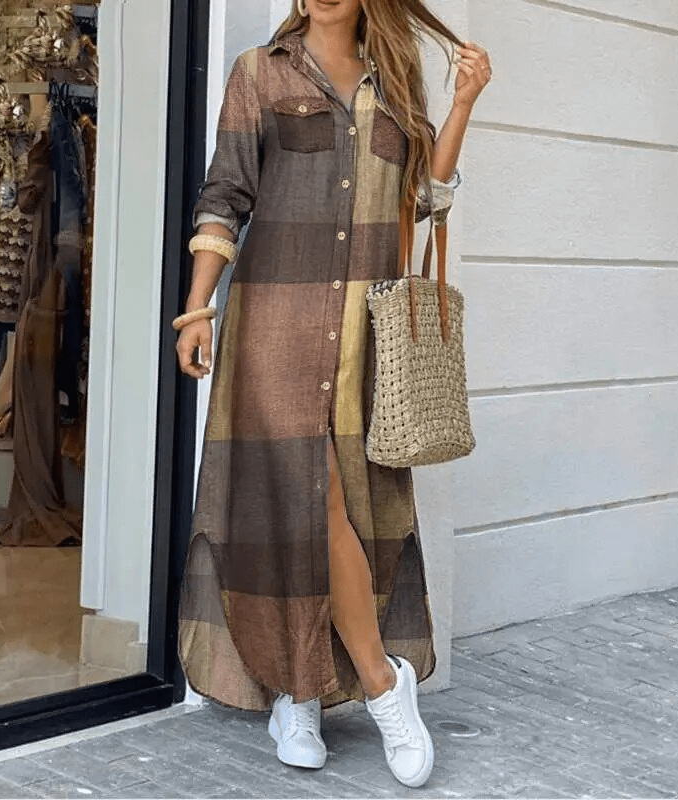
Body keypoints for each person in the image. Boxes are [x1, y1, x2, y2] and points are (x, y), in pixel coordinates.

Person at [174, 0, 491, 788]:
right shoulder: (259, 72)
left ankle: (309, 688)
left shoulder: (397, 83)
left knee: (341, 503)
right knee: (297, 501)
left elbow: (426, 198)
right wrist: (197, 308)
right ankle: (369, 686)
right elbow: (224, 196)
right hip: (272, 329)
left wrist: (462, 103)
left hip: (361, 339)